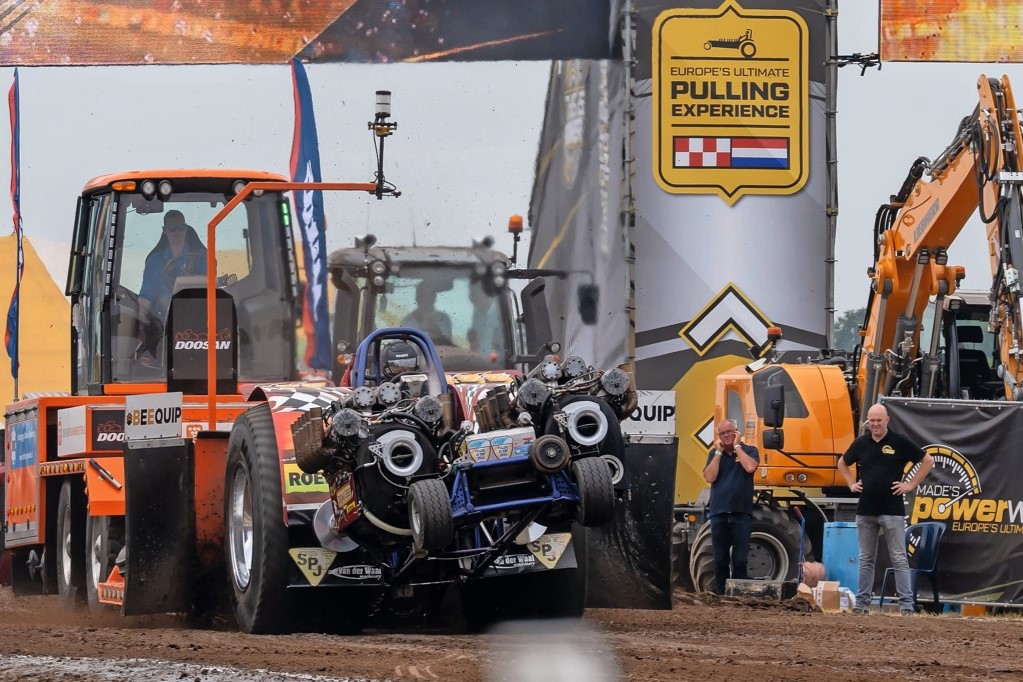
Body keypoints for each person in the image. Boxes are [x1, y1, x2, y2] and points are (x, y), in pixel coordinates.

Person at [837, 403, 934, 615]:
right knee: (866, 558)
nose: (875, 424)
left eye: (879, 420)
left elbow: (927, 461)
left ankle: (907, 606)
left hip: (892, 510)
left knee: (899, 557)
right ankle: (862, 605)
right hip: (866, 511)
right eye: (872, 420)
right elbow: (842, 463)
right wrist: (851, 484)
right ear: (868, 422)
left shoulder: (900, 442)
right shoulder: (861, 443)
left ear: (887, 420)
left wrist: (910, 485)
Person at [703, 418, 760, 595]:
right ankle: (721, 594)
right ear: (718, 436)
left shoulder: (750, 450)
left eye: (730, 432)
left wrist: (737, 447)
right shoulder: (714, 454)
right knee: (720, 559)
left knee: (740, 558)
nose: (726, 436)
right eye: (722, 433)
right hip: (719, 514)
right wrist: (719, 453)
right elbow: (709, 477)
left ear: (736, 432)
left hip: (741, 514)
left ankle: (739, 593)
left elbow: (750, 467)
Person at [139, 209, 208, 324]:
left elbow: (210, 287)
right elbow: (145, 298)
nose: (177, 232)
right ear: (165, 230)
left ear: (186, 229)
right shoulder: (154, 261)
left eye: (181, 227)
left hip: (201, 316)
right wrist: (141, 325)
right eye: (172, 228)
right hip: (163, 322)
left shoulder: (203, 257)